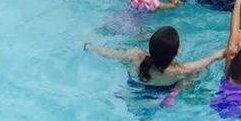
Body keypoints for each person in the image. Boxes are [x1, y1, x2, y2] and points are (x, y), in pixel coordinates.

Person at [85, 25, 228, 91]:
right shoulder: (179, 70)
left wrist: (90, 47)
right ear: (176, 51)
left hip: (134, 88)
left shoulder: (135, 56)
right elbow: (209, 59)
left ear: (150, 47)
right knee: (197, 72)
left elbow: (109, 54)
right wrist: (222, 52)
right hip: (161, 93)